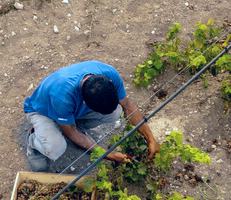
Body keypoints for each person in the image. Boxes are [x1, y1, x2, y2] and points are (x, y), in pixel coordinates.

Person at [23, 60, 159, 172]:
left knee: (116, 112)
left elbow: (127, 106)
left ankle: (70, 124)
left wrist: (150, 138)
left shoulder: (110, 74)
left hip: (68, 111)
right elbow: (73, 134)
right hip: (42, 111)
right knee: (56, 149)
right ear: (84, 102)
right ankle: (33, 141)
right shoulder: (62, 96)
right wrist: (110, 155)